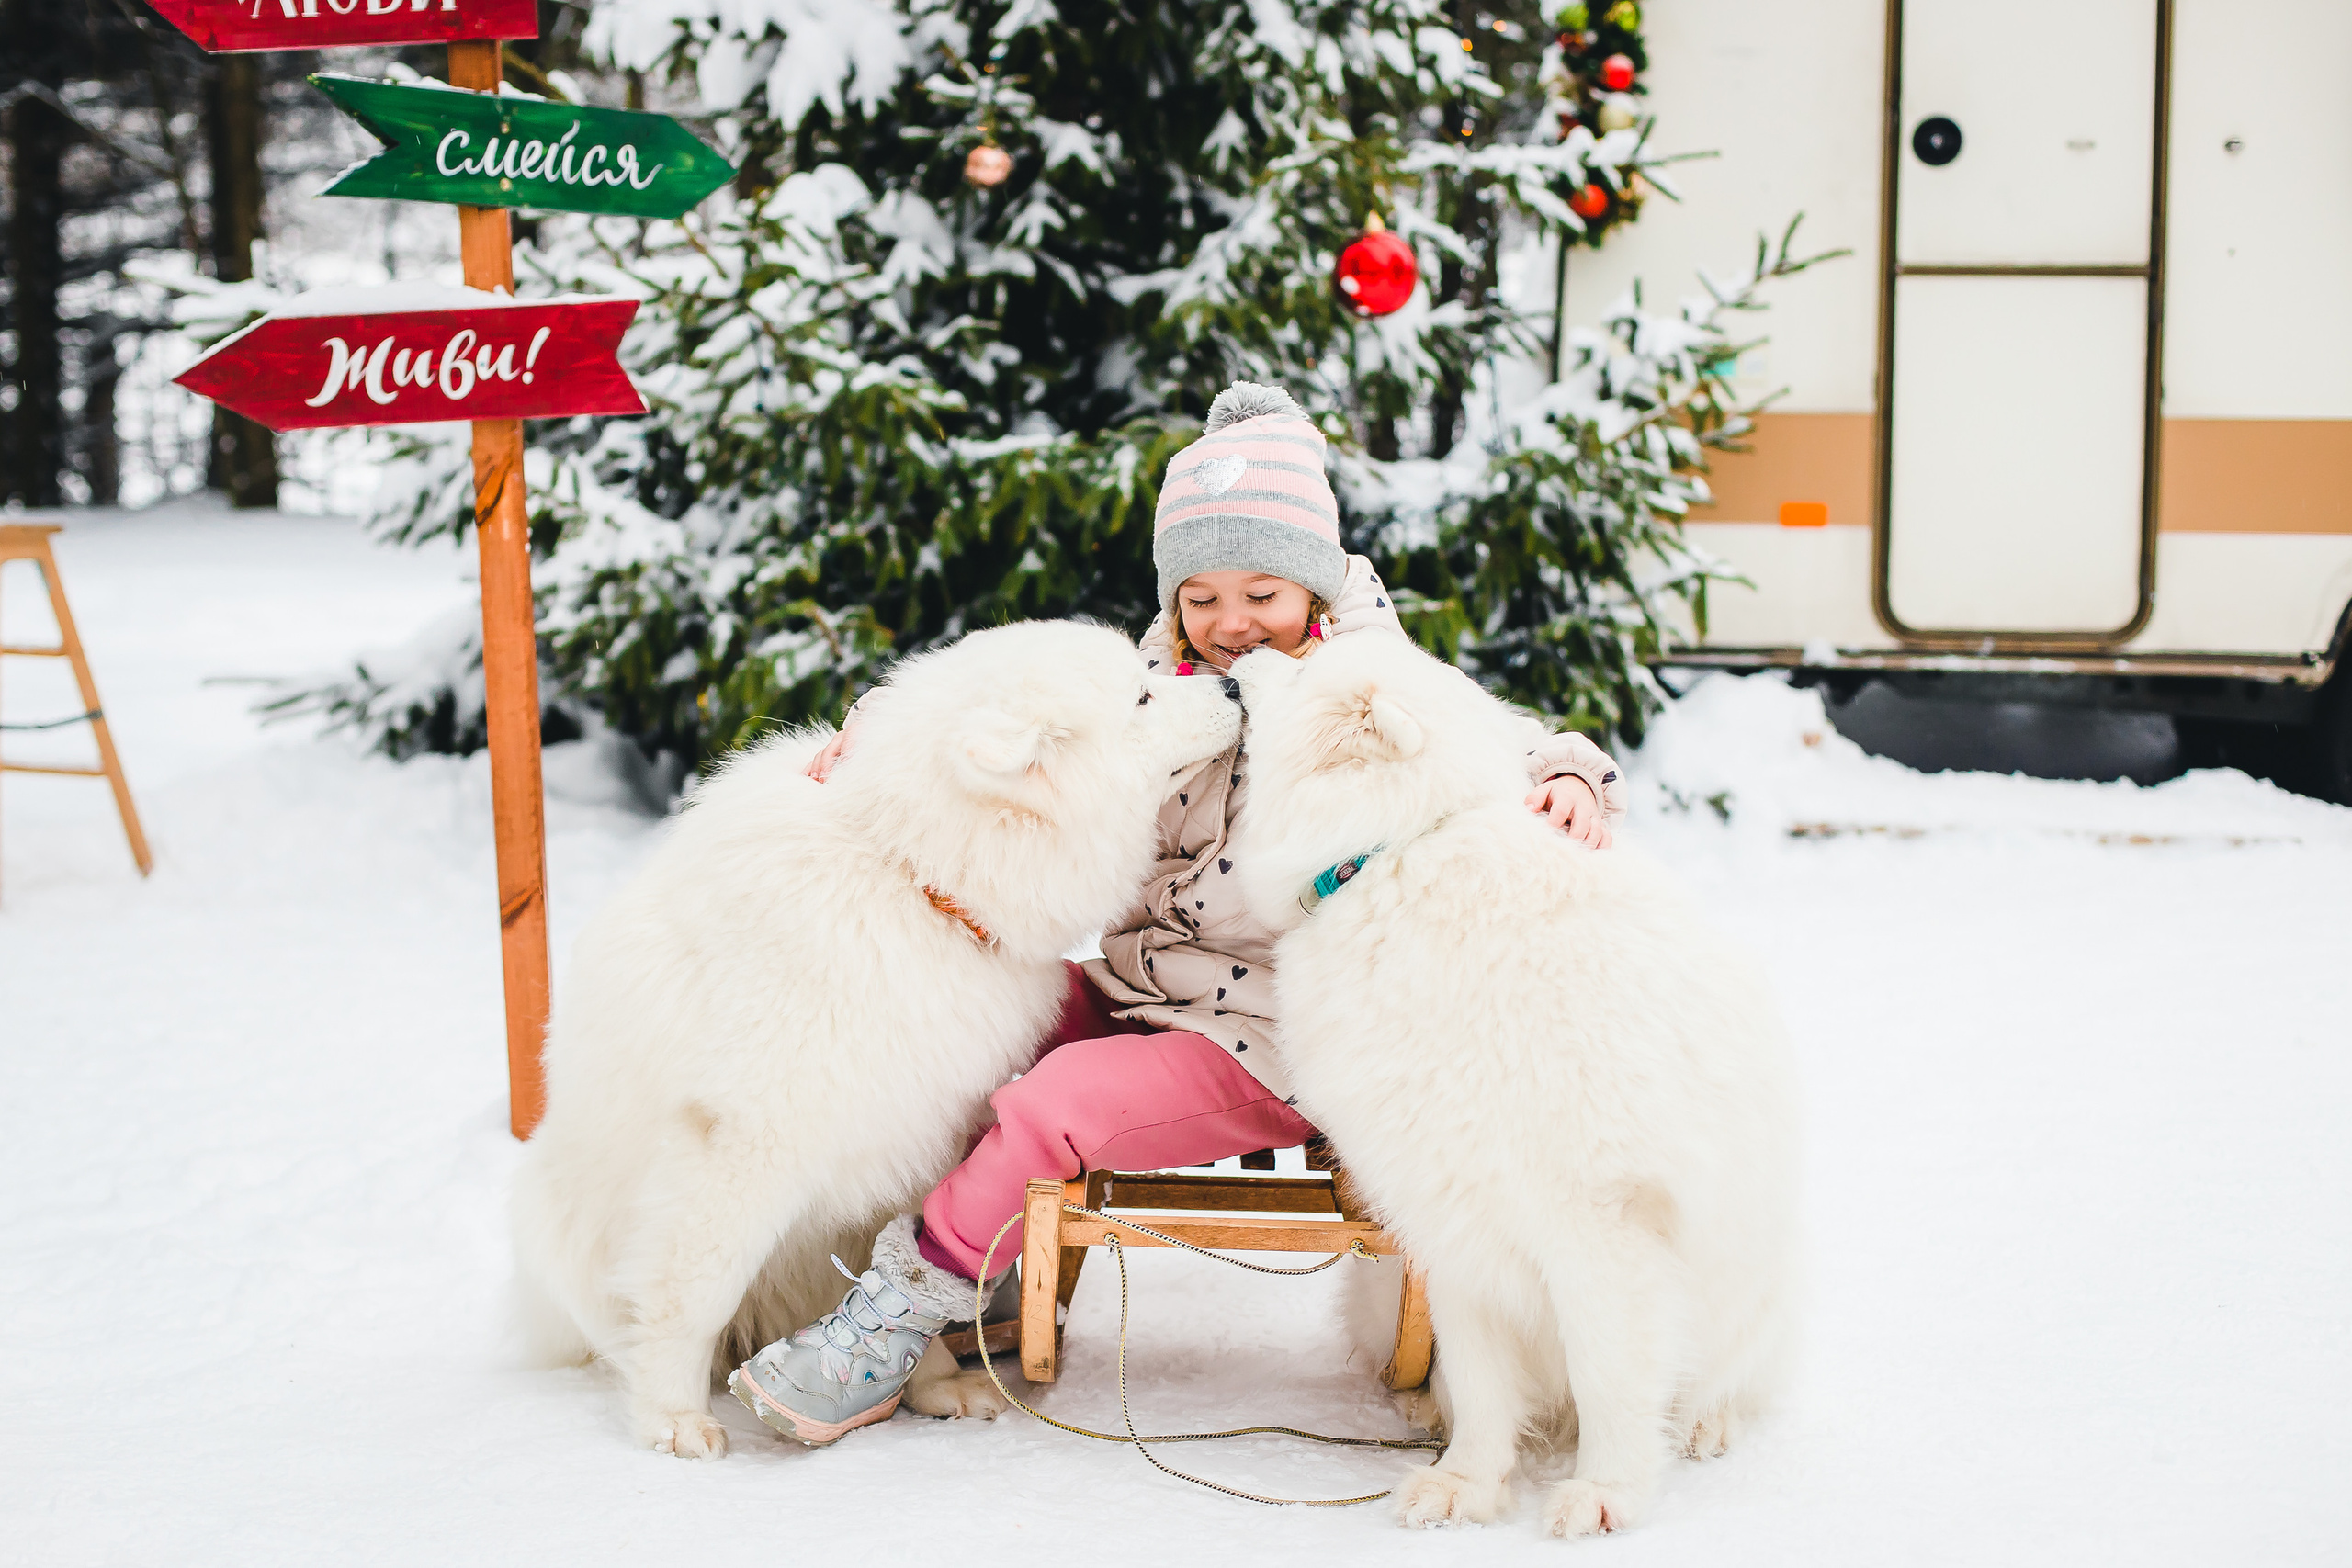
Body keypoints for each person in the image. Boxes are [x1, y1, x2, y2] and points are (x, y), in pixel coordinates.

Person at [728, 382, 1627, 1446]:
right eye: (1198, 595)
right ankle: (981, 1269)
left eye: (1260, 591)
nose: (1229, 623)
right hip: (1137, 987)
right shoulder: (1157, 676)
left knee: (1055, 1100)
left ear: (1316, 584)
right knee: (966, 1024)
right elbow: (1008, 704)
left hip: (1269, 1033)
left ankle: (888, 1322)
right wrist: (881, 726)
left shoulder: (1369, 683)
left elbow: (1504, 734)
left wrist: (1567, 774)